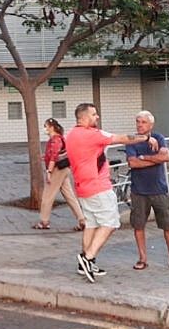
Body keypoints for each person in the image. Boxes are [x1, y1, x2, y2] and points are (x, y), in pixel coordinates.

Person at [63, 103, 157, 284]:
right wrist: (145, 138)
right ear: (83, 118)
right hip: (98, 187)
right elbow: (122, 138)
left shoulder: (71, 135)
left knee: (91, 224)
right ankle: (88, 258)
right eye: (93, 114)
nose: (97, 117)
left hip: (83, 188)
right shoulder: (92, 135)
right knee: (111, 222)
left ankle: (85, 263)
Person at [125, 110, 169, 272]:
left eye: (143, 122)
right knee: (138, 225)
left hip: (159, 188)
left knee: (168, 224)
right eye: (138, 121)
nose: (139, 125)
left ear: (151, 124)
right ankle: (142, 258)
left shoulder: (159, 138)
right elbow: (133, 163)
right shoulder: (132, 141)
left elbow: (166, 157)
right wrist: (154, 159)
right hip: (139, 190)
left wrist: (143, 157)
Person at [34, 118, 87, 231]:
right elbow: (55, 155)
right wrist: (45, 158)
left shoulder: (55, 140)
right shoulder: (59, 139)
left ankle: (44, 221)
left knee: (48, 195)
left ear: (51, 127)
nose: (45, 129)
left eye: (46, 126)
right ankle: (82, 219)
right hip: (64, 169)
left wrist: (49, 171)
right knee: (69, 196)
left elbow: (54, 156)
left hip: (57, 170)